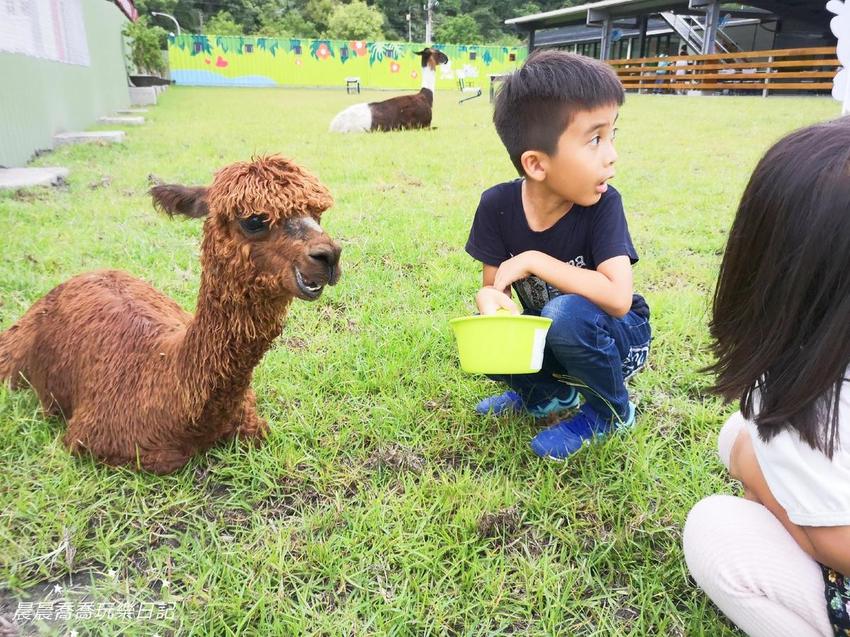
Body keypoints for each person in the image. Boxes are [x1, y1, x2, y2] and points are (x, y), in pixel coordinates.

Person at [683, 117, 850, 636]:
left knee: (715, 528)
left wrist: (786, 510)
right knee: (737, 433)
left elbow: (837, 544)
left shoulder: (819, 395)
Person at [464, 50, 651, 461]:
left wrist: (537, 260)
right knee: (489, 331)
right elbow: (496, 290)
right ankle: (547, 394)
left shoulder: (603, 205)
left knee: (566, 313)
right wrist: (489, 302)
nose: (612, 153)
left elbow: (619, 299)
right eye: (595, 139)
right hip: (554, 333)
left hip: (618, 337)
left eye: (613, 134)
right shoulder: (496, 205)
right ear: (536, 163)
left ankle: (610, 412)